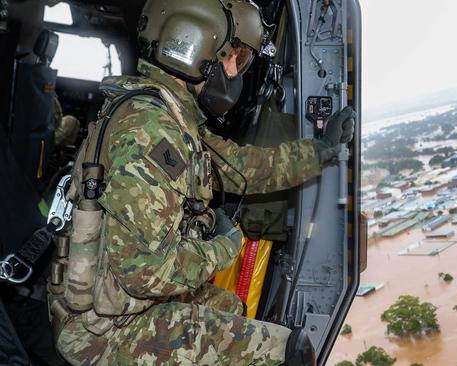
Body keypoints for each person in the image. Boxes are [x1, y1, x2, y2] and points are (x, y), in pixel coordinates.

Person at [49, 0, 354, 365]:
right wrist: (225, 247)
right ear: (196, 47)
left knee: (231, 307)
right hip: (98, 332)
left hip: (119, 302)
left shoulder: (169, 117)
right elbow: (146, 274)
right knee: (283, 351)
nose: (236, 72)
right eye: (235, 58)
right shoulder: (150, 133)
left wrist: (321, 150)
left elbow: (244, 167)